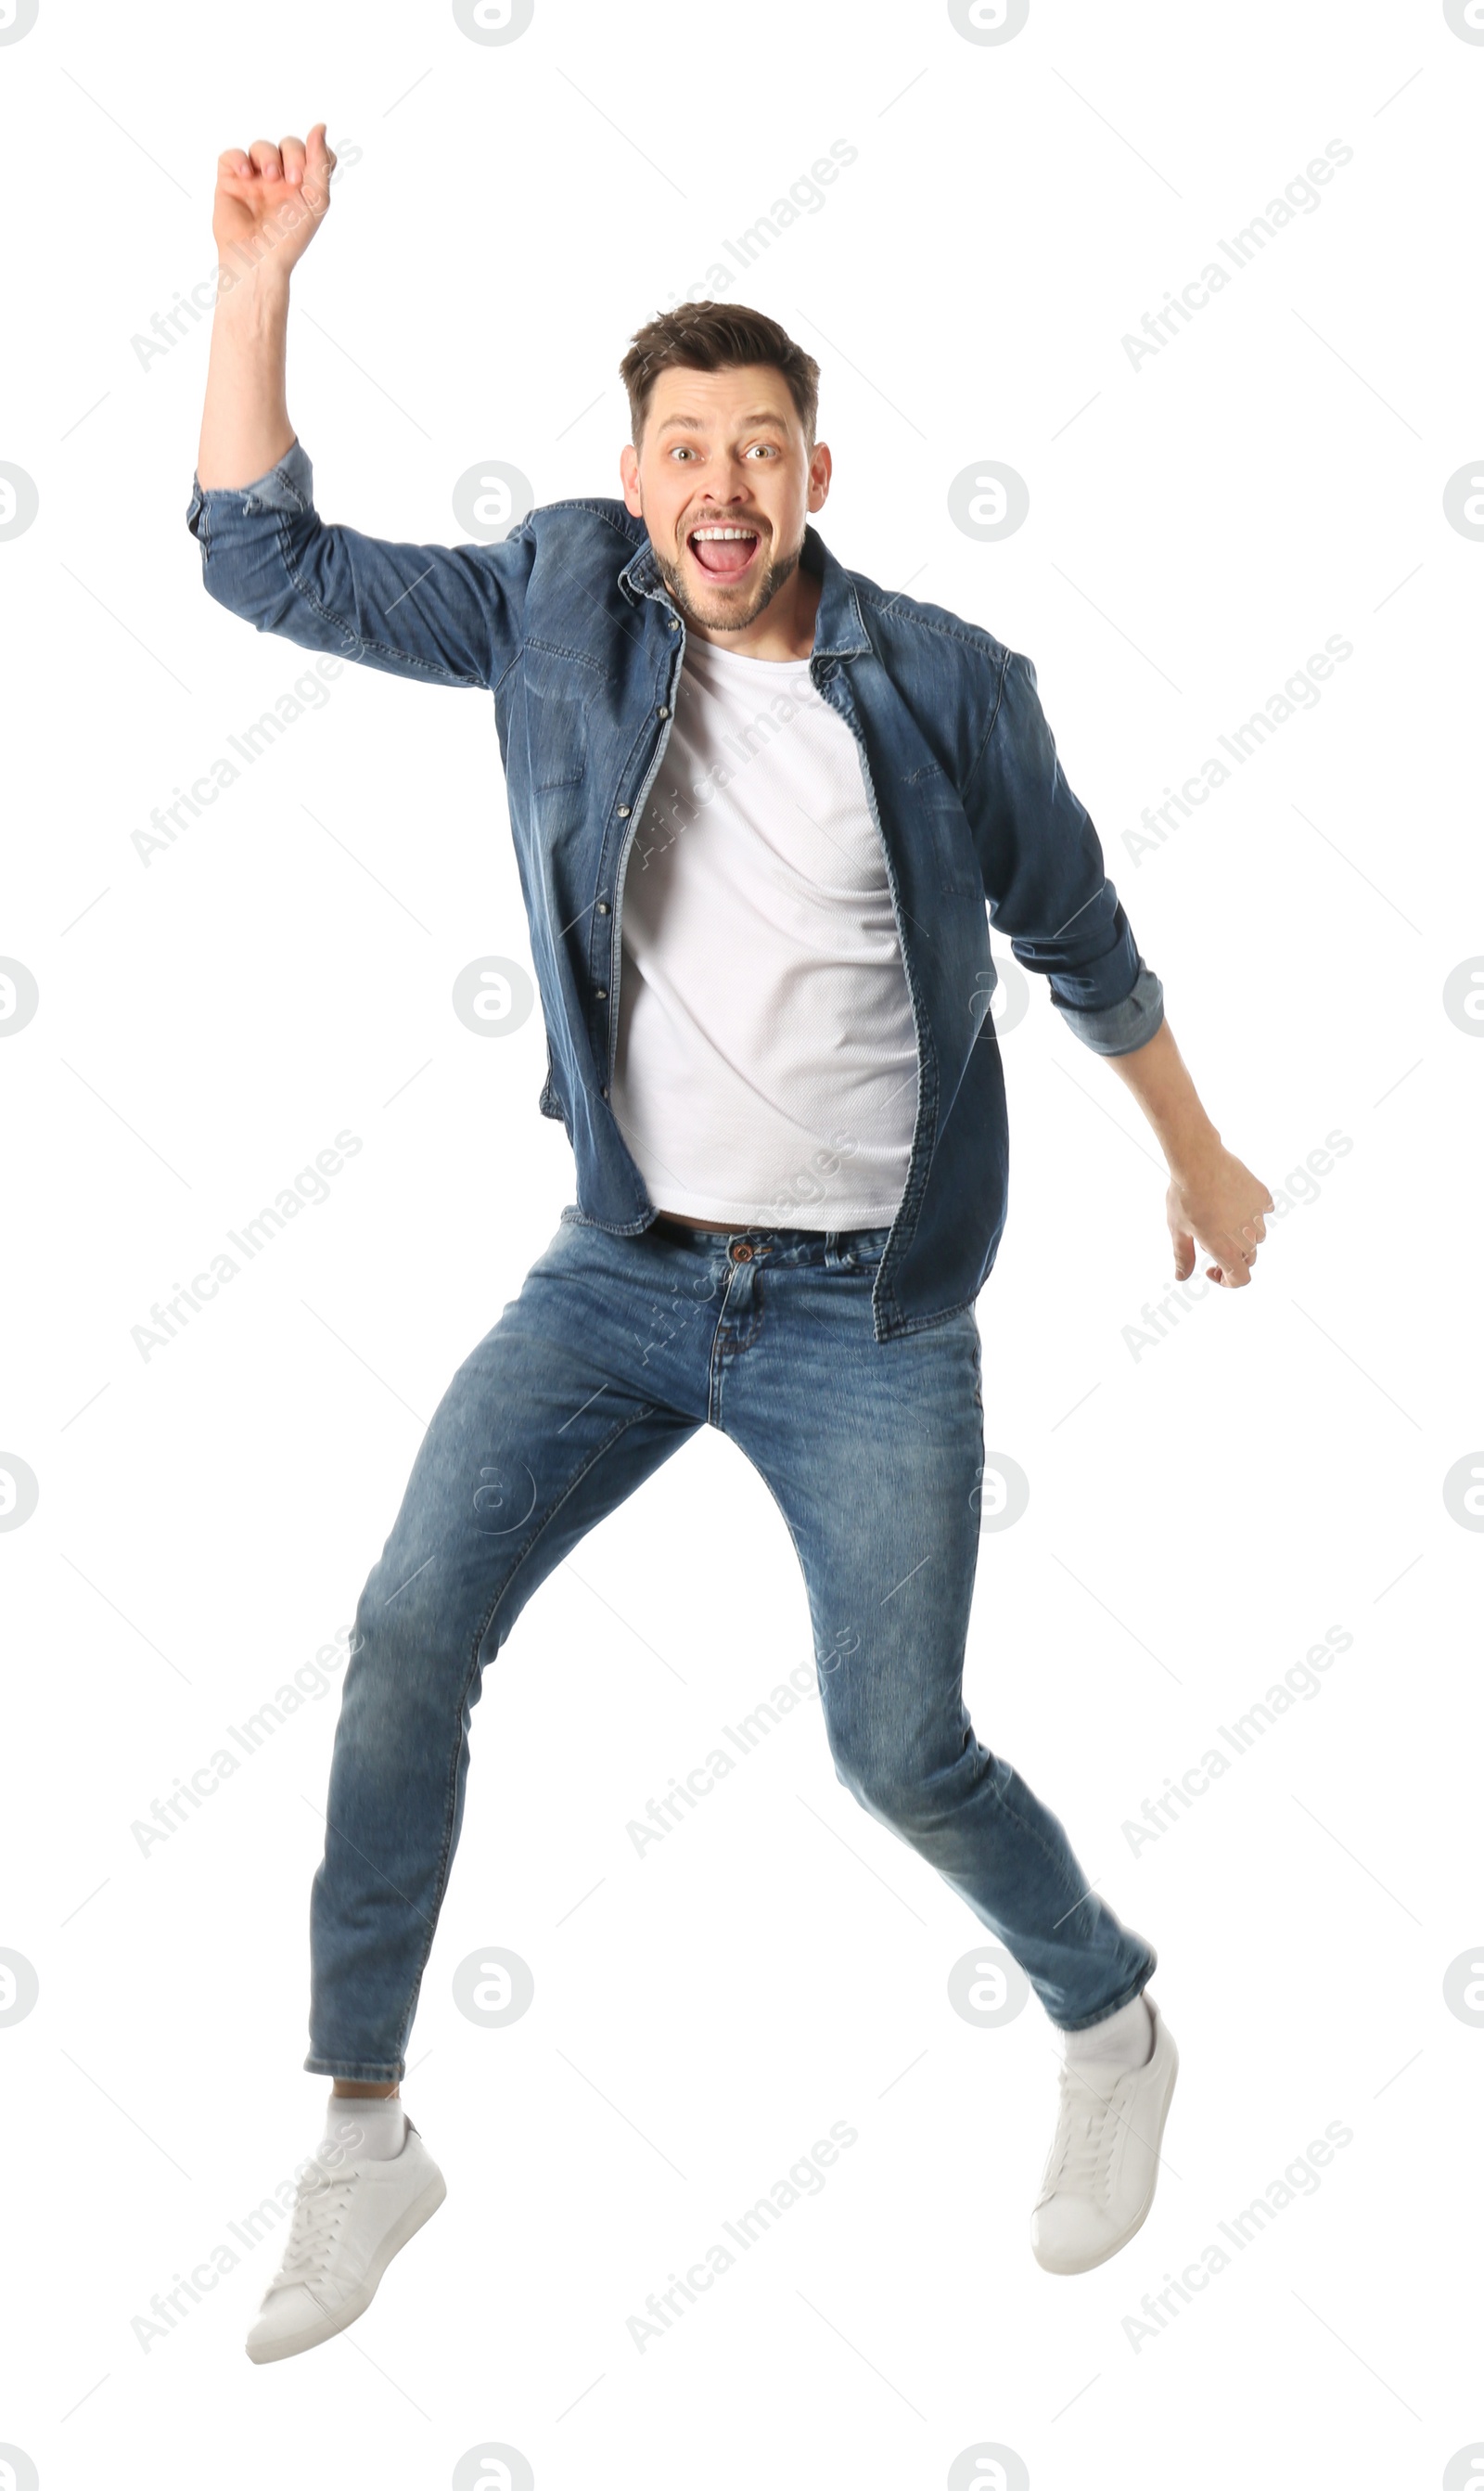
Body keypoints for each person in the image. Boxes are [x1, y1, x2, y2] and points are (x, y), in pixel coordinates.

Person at [188, 126, 1273, 2366]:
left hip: (865, 1309)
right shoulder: (558, 598)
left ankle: (1109, 2020)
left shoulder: (945, 677)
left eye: (756, 448)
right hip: (615, 1273)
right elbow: (257, 562)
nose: (718, 481)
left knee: (895, 1748)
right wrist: (255, 278)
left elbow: (1080, 938)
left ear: (811, 476)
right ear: (632, 468)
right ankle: (368, 2129)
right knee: (405, 1633)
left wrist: (1199, 1152)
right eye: (682, 444)